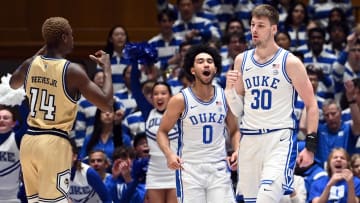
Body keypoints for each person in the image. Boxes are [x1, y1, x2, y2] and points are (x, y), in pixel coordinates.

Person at [9, 17, 114, 202]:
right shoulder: (71, 70)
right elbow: (106, 104)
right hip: (53, 143)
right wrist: (106, 68)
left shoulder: (30, 64)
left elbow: (13, 83)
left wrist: (44, 48)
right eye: (71, 35)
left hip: (29, 142)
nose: (73, 39)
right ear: (64, 37)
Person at [225, 4, 319, 202]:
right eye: (252, 25)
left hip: (279, 140)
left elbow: (311, 104)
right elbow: (238, 111)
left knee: (267, 198)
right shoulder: (242, 60)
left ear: (273, 29)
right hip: (250, 141)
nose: (254, 30)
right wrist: (229, 90)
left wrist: (310, 146)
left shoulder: (290, 62)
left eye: (260, 25)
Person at [157, 44, 240, 202]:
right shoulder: (180, 100)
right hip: (190, 169)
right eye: (200, 61)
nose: (206, 64)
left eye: (210, 61)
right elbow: (162, 131)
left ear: (215, 69)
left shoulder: (225, 97)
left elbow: (234, 130)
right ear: (192, 70)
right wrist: (169, 154)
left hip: (218, 168)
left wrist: (237, 150)